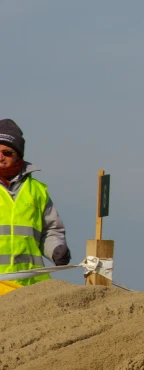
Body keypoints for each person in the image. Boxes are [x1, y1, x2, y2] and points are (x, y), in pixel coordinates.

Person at [0, 119, 71, 286]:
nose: (0, 157)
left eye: (7, 152)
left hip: (29, 288)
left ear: (18, 155)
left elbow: (51, 230)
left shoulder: (37, 191)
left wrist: (56, 249)